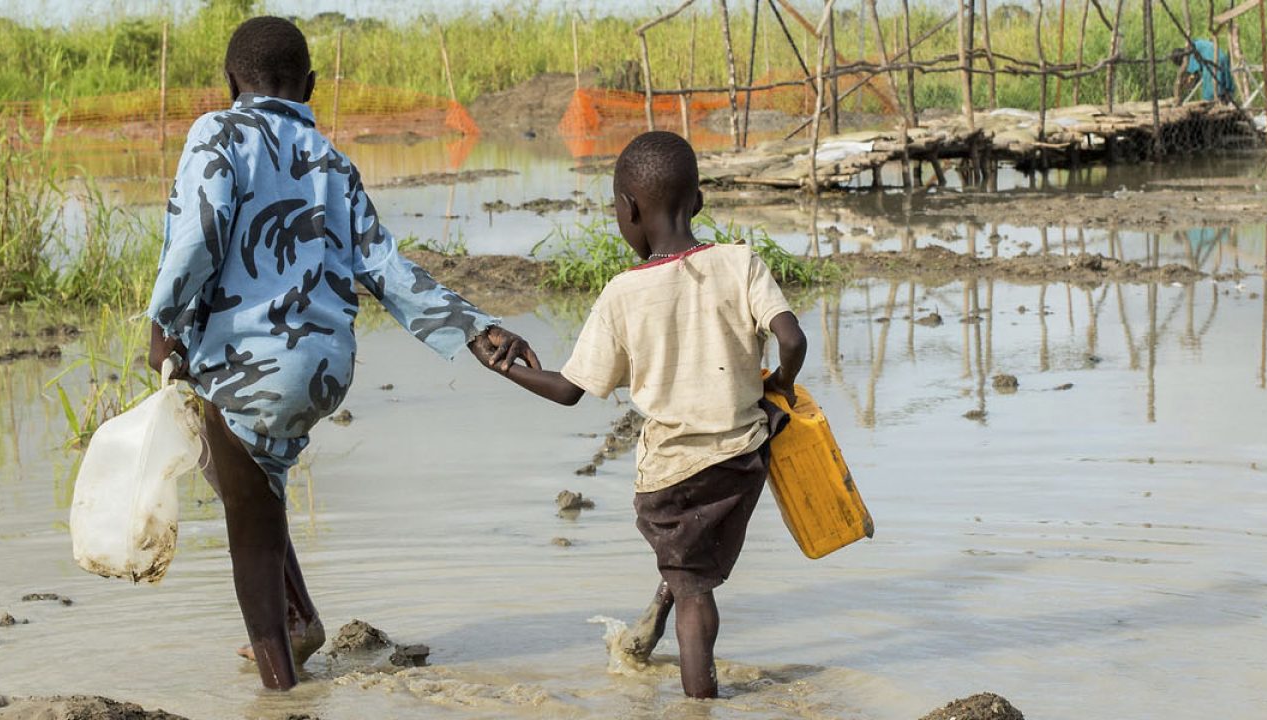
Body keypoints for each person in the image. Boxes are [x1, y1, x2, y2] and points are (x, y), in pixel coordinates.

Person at [144, 16, 537, 691]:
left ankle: (279, 685)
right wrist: (474, 327)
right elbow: (383, 265)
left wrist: (164, 321)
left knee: (246, 519)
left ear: (230, 82)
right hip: (325, 369)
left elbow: (201, 234)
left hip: (251, 365)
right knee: (254, 487)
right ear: (312, 87)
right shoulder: (331, 159)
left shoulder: (217, 131)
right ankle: (299, 620)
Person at [478, 131, 808, 698]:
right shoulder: (740, 262)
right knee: (693, 566)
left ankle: (699, 704)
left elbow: (568, 390)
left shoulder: (623, 294)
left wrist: (503, 368)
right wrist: (780, 383)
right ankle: (660, 608)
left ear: (628, 209)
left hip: (673, 478)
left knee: (696, 593)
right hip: (745, 461)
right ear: (698, 202)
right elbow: (792, 339)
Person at [1171, 38, 1236, 103]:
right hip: (1222, 57)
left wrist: (1189, 81)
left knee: (1209, 95)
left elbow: (1194, 72)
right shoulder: (1194, 43)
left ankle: (1216, 105)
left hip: (1212, 61)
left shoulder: (1188, 56)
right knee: (1224, 87)